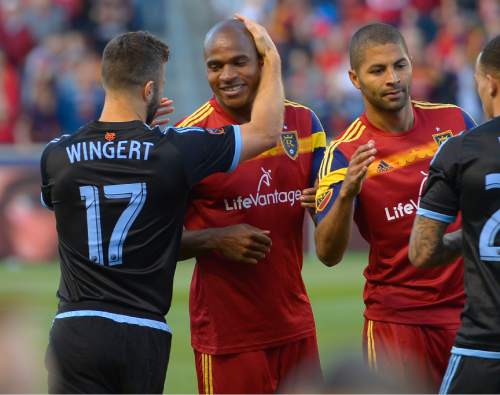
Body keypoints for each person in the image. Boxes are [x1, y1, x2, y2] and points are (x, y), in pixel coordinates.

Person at [41, 16, 285, 394]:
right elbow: (267, 131)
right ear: (151, 89)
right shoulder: (173, 150)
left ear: (105, 81)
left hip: (75, 326)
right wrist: (270, 55)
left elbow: (94, 173)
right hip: (141, 329)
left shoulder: (56, 156)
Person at [314, 23, 476, 391]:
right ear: (354, 78)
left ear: (412, 64)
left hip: (467, 314)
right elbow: (326, 252)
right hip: (396, 323)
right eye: (377, 70)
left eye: (399, 65)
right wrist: (346, 194)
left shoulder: (454, 122)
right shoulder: (342, 152)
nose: (393, 78)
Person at [174, 19, 326, 394]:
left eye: (239, 62)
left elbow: (330, 239)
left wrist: (334, 202)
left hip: (295, 328)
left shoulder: (304, 124)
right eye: (215, 65)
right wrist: (215, 239)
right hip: (228, 339)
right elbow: (155, 241)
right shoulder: (189, 139)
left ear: (263, 63)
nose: (226, 75)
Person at [409, 35, 500, 394]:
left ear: (490, 84)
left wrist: (473, 235)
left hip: (484, 344)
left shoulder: (460, 151)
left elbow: (422, 252)